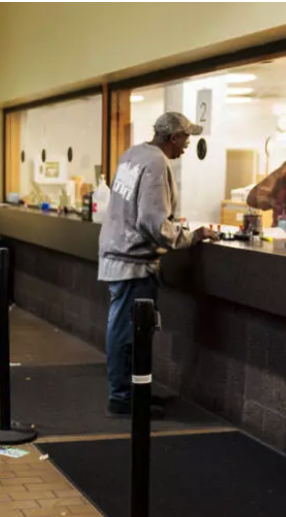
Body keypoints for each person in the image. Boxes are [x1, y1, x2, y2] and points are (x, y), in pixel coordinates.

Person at [98, 112, 218, 417]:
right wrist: (191, 236)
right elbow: (152, 222)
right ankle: (124, 398)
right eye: (186, 139)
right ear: (173, 137)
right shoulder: (156, 163)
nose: (187, 147)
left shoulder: (132, 154)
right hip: (133, 262)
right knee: (129, 334)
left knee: (121, 330)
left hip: (117, 254)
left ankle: (131, 392)